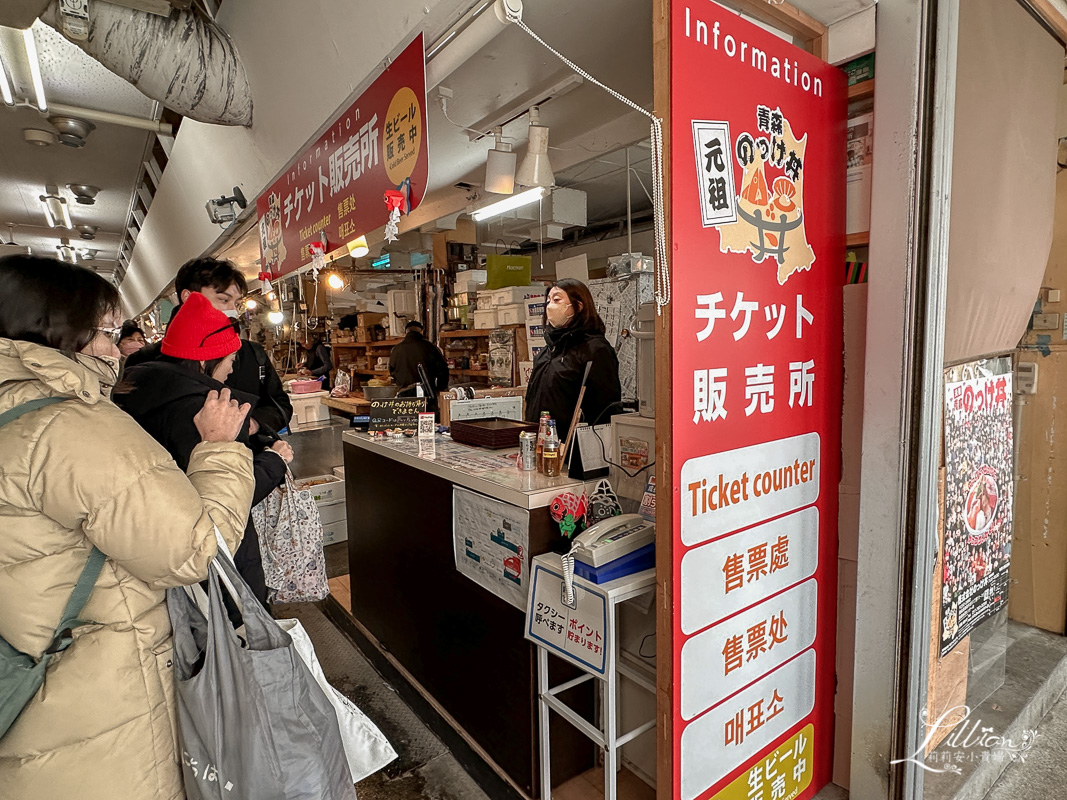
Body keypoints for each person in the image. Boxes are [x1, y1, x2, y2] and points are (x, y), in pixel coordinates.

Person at [0, 255, 255, 799]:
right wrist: (221, 452)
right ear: (60, 328)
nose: (118, 348)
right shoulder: (66, 424)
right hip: (99, 682)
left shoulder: (14, 410)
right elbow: (194, 550)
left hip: (38, 661)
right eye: (107, 332)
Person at [115, 292, 293, 608]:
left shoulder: (138, 391)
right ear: (204, 360)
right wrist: (274, 460)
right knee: (236, 641)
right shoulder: (205, 412)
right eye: (230, 359)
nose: (231, 369)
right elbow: (228, 493)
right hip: (215, 562)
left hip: (158, 550)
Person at [125, 256, 293, 435]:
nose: (233, 311)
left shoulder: (252, 354)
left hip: (250, 458)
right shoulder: (145, 362)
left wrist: (253, 424)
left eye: (237, 304)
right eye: (223, 299)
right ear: (188, 297)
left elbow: (280, 405)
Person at [524, 278, 621, 439]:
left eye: (557, 299)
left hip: (575, 450)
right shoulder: (546, 352)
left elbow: (606, 407)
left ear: (578, 306)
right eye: (548, 300)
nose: (550, 305)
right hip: (542, 444)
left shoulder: (595, 350)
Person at [389, 320, 449, 394]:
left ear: (405, 333)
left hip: (404, 395)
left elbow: (392, 372)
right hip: (427, 394)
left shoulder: (396, 350)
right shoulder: (429, 347)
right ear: (421, 332)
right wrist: (439, 389)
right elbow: (443, 370)